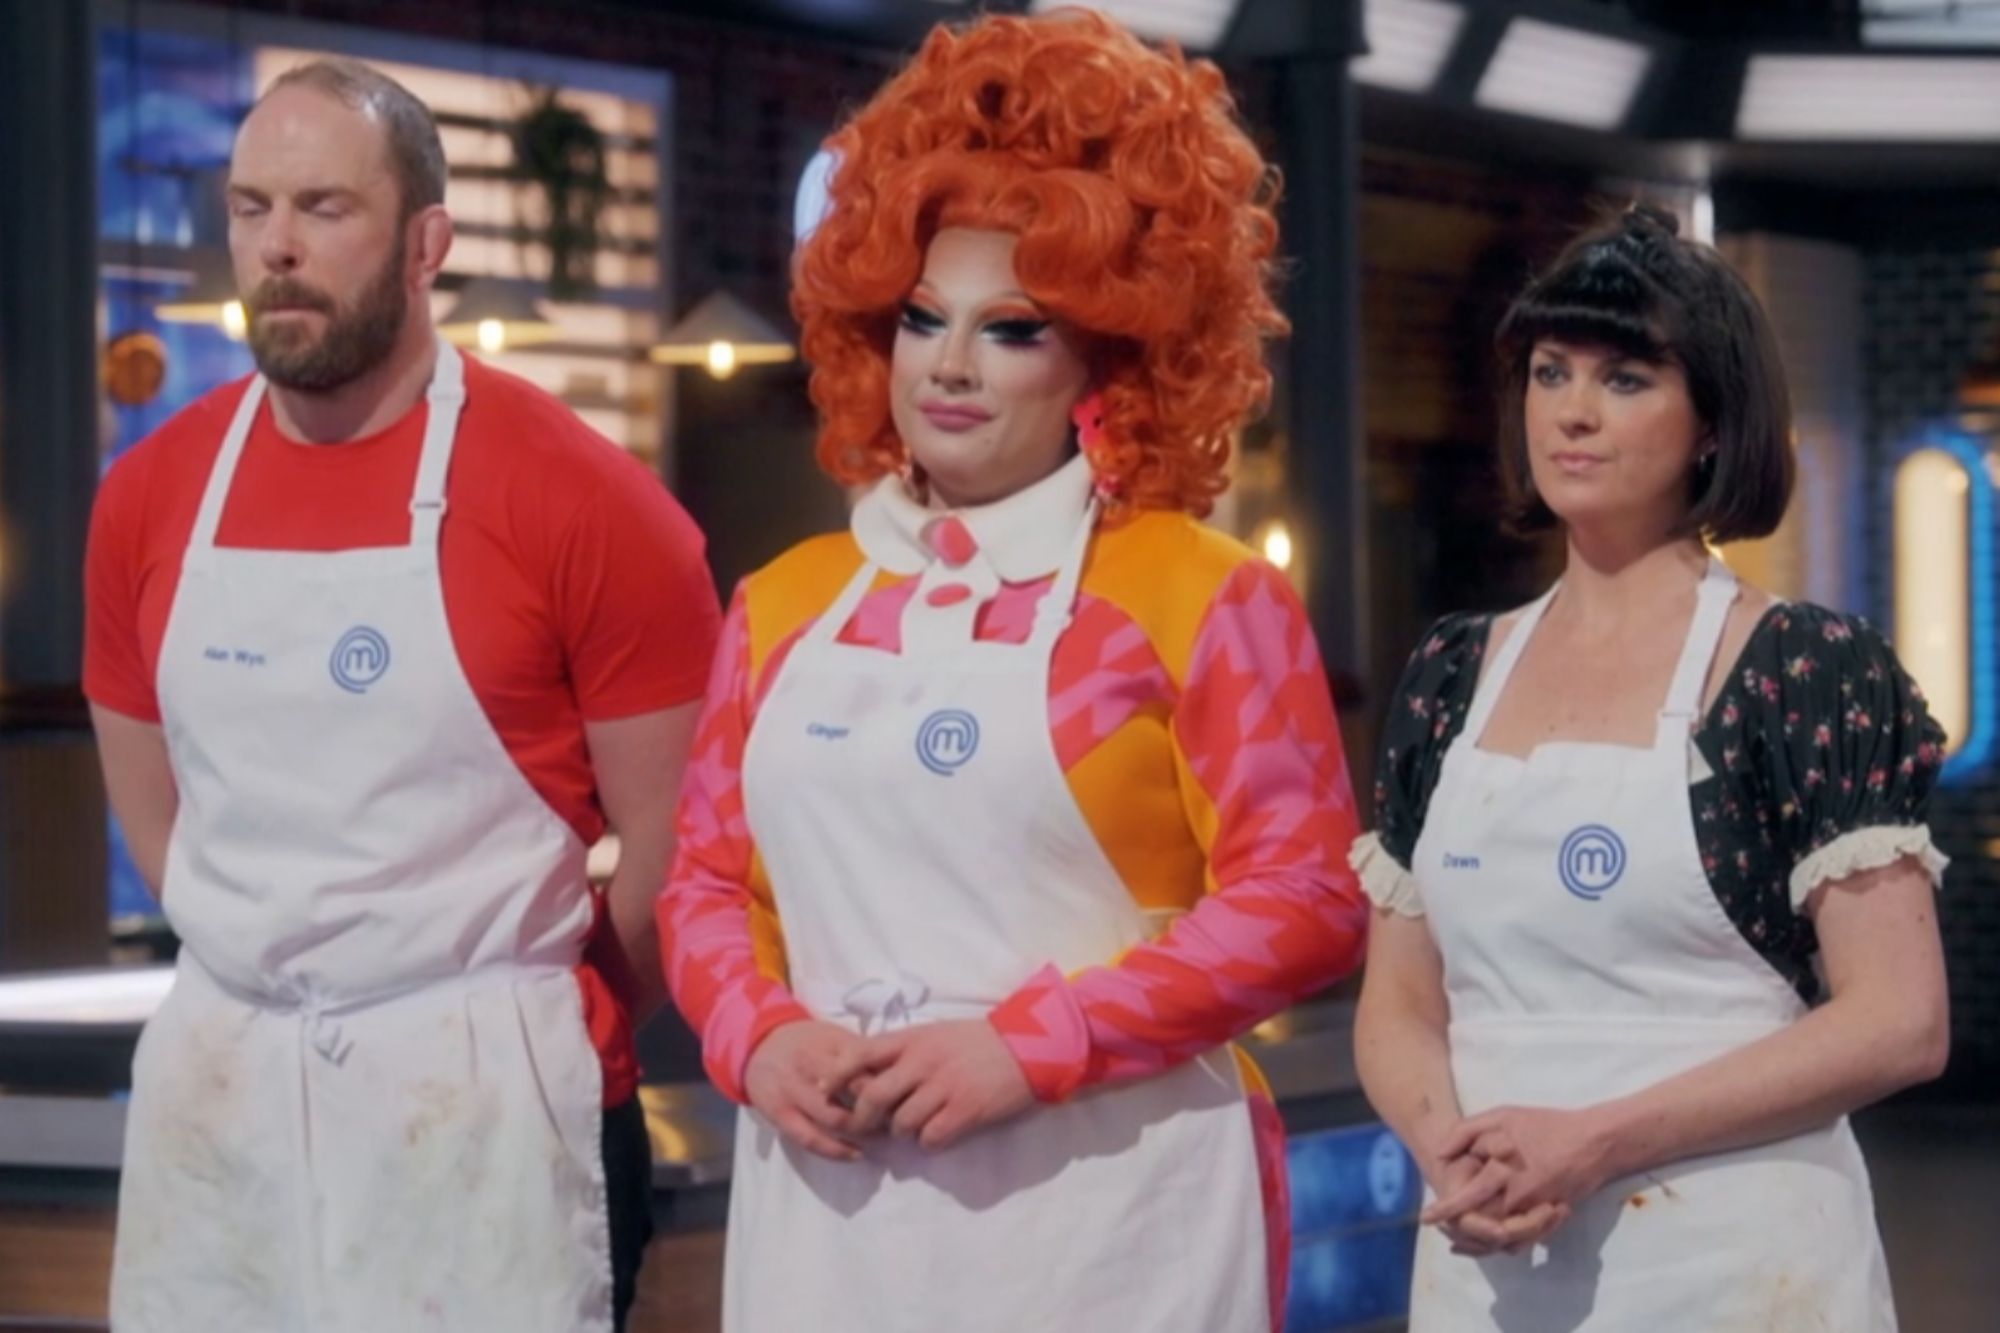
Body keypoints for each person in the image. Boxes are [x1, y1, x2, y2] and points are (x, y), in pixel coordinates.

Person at [657, 12, 1368, 1332]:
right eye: (924, 318)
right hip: (831, 1211)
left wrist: (1029, 1045)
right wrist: (760, 1036)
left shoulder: (1204, 594)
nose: (953, 365)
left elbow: (1308, 899)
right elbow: (704, 880)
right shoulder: (785, 605)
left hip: (1115, 1217)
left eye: (1015, 328)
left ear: (1113, 349)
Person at [84, 59, 719, 1331]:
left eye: (323, 207)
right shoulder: (151, 493)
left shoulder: (588, 504)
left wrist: (522, 1014)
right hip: (225, 1106)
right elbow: (158, 819)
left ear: (429, 240)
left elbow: (682, 847)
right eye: (250, 207)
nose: (275, 247)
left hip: (486, 1113)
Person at [1351, 204, 1950, 1331]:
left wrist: (1592, 1140)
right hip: (1490, 1258)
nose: (1570, 411)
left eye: (1624, 380)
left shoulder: (1801, 670)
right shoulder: (1447, 673)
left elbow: (1899, 1020)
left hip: (1738, 1264)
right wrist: (1451, 1149)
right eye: (1547, 372)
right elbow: (1396, 1001)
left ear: (1712, 424)